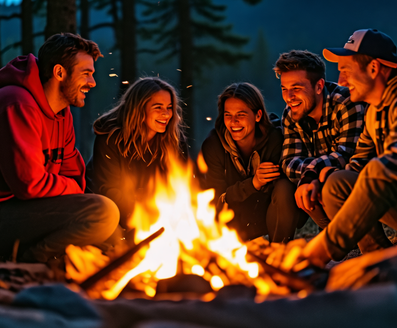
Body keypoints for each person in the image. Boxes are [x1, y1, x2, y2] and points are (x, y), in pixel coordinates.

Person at [0, 33, 120, 263]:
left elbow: (73, 174)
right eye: (86, 74)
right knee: (102, 213)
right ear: (59, 73)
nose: (92, 83)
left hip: (18, 205)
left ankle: (59, 258)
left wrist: (70, 191)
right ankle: (32, 261)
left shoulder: (62, 114)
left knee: (112, 233)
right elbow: (29, 184)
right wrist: (71, 191)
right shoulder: (16, 104)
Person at [301, 28, 397, 266]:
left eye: (346, 71)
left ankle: (319, 254)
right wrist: (321, 179)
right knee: (338, 183)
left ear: (373, 69)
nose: (340, 82)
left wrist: (322, 248)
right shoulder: (375, 109)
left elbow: (396, 166)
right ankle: (383, 264)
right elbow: (357, 166)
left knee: (383, 169)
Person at [200, 82, 305, 242]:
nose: (233, 121)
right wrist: (253, 183)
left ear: (258, 115)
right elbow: (216, 199)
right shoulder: (214, 145)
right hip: (231, 222)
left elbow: (283, 189)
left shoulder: (275, 139)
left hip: (267, 215)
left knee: (284, 187)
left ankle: (279, 249)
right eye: (228, 115)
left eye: (241, 115)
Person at [274, 50, 366, 231]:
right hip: (322, 186)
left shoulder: (346, 103)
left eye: (296, 88)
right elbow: (288, 162)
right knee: (294, 186)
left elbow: (347, 156)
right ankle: (338, 238)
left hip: (359, 187)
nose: (289, 97)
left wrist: (312, 173)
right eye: (284, 89)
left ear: (318, 86)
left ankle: (356, 237)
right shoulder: (291, 113)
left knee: (330, 180)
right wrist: (311, 175)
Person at [86, 77, 187, 233]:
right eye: (158, 107)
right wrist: (144, 217)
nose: (166, 114)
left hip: (155, 215)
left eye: (169, 107)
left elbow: (181, 187)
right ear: (139, 108)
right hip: (108, 214)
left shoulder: (174, 141)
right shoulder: (110, 139)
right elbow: (109, 191)